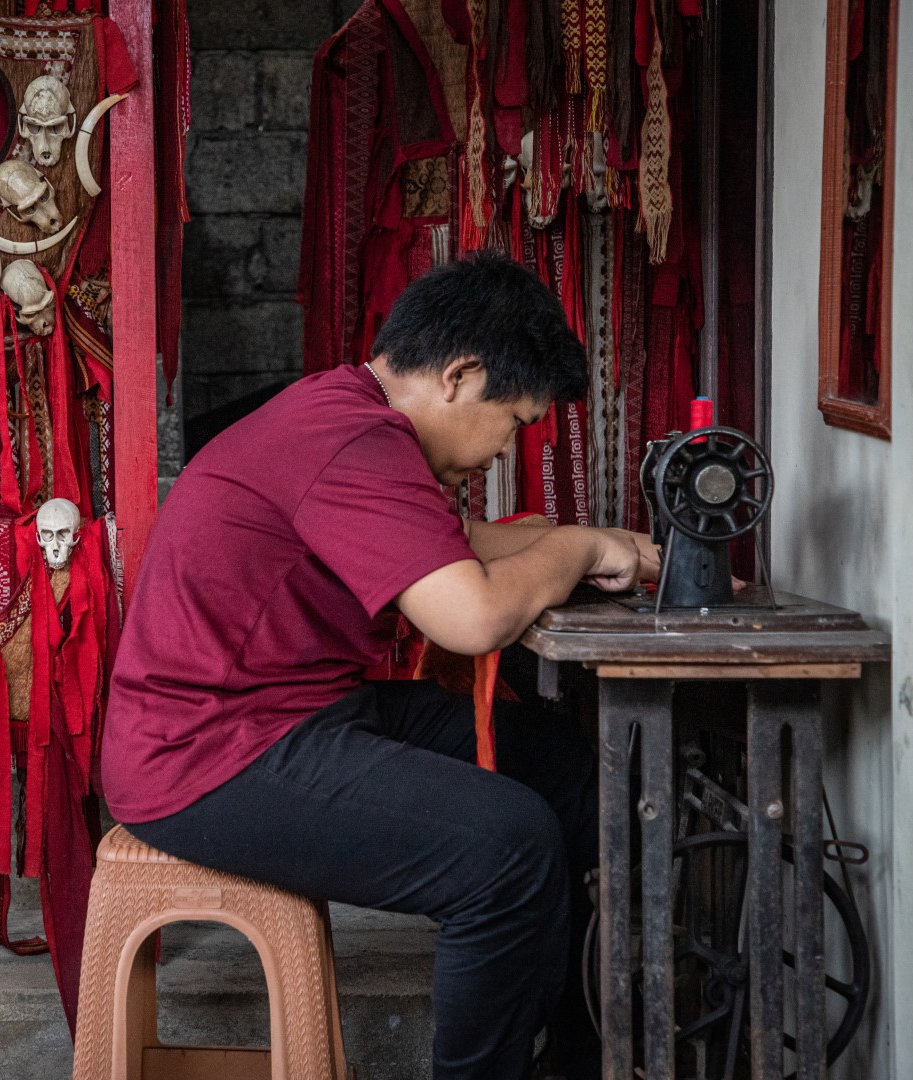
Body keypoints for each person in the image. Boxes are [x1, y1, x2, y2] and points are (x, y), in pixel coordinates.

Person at [101, 253, 660, 1080]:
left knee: (567, 771)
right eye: (511, 420)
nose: (504, 449)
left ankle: (577, 1059)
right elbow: (469, 615)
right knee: (507, 850)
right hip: (207, 756)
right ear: (459, 377)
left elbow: (449, 548)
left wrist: (629, 555)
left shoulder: (349, 415)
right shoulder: (352, 437)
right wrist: (577, 544)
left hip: (293, 716)